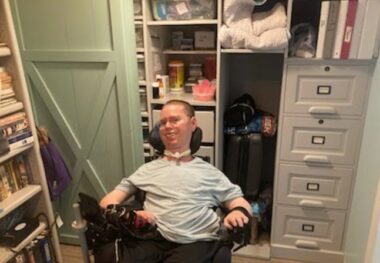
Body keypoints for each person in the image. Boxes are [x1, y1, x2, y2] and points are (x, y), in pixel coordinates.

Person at [99, 99, 252, 263]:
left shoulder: (209, 172)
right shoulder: (147, 169)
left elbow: (240, 203)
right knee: (108, 254)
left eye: (175, 120)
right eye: (163, 122)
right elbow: (107, 202)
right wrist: (131, 216)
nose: (168, 126)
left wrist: (237, 212)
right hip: (153, 237)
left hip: (196, 240)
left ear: (193, 123)